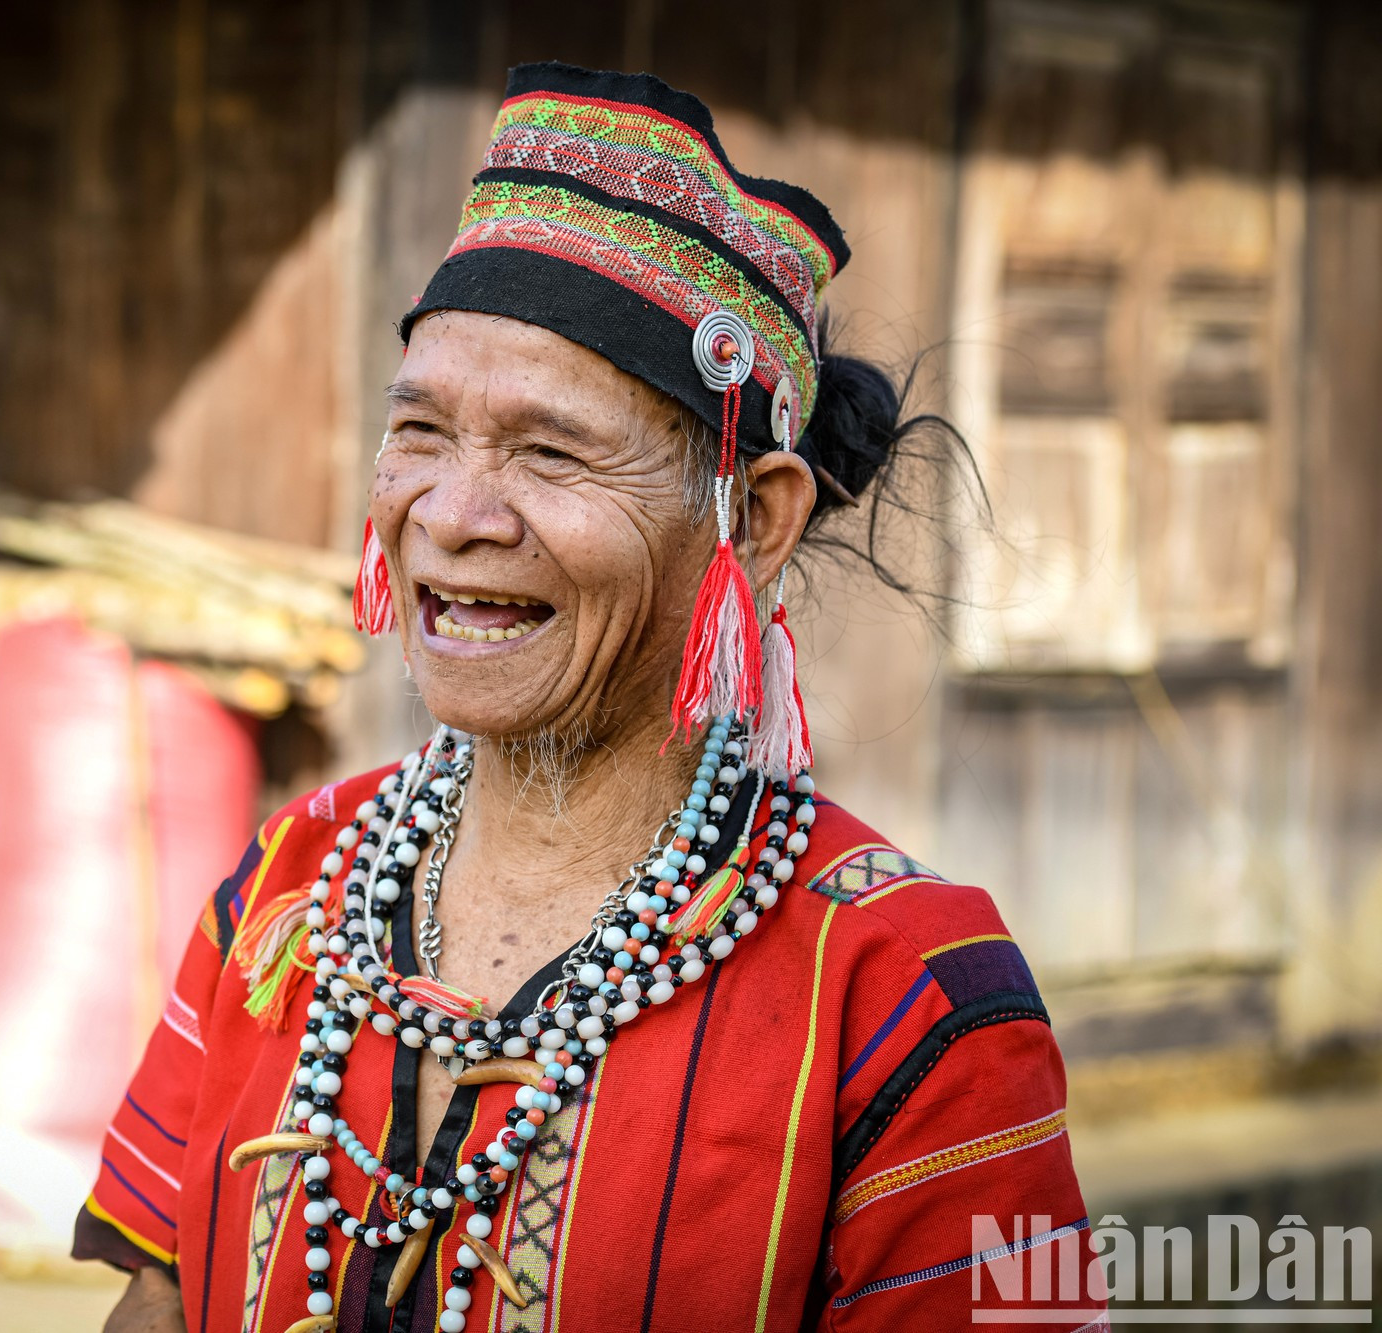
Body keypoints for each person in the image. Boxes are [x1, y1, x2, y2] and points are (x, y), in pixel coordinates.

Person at [76, 62, 1099, 1333]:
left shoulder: (905, 995)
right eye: (420, 434)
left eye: (550, 451)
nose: (451, 516)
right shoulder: (288, 889)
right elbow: (158, 1297)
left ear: (757, 516)